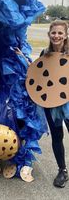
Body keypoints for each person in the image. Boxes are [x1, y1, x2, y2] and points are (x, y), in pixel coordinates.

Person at [40, 20, 69, 188]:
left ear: (65, 35)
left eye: (60, 33)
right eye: (54, 33)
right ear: (49, 35)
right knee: (57, 137)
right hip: (51, 103)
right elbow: (37, 76)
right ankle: (62, 171)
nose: (56, 36)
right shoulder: (44, 53)